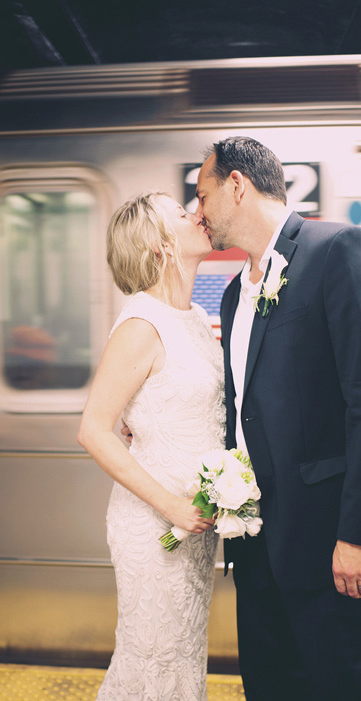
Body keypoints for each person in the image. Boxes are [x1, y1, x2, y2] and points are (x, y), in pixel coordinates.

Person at [194, 136, 361, 701]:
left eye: (202, 195)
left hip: (323, 541)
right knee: (268, 684)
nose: (200, 213)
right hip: (254, 542)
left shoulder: (334, 249)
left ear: (236, 184)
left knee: (334, 681)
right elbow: (243, 405)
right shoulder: (232, 295)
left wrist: (355, 536)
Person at [78, 192, 226, 700]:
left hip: (193, 523)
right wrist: (173, 507)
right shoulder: (142, 323)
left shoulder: (195, 316)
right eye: (183, 215)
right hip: (155, 525)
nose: (198, 215)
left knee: (183, 654)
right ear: (161, 245)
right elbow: (94, 429)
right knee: (151, 657)